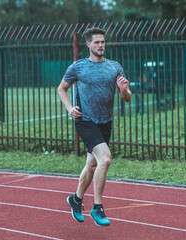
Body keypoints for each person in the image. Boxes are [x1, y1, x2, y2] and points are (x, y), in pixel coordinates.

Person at [57, 27, 131, 227]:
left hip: (105, 122)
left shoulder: (115, 67)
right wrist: (69, 108)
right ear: (88, 44)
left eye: (103, 42)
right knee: (105, 159)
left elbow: (127, 98)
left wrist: (124, 90)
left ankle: (76, 199)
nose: (101, 46)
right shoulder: (78, 68)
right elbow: (61, 88)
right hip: (85, 120)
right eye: (96, 42)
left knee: (92, 165)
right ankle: (97, 207)